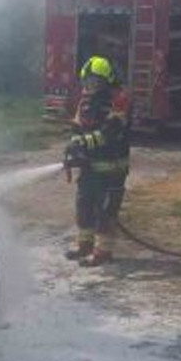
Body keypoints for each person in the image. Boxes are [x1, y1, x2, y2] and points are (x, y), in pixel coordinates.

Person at [64, 55, 130, 267]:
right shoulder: (84, 102)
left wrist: (84, 143)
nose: (90, 86)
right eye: (88, 81)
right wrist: (74, 147)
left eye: (95, 82)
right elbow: (76, 128)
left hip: (113, 168)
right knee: (84, 205)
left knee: (105, 212)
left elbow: (110, 132)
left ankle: (103, 252)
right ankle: (85, 244)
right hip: (90, 168)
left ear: (106, 81)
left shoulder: (118, 101)